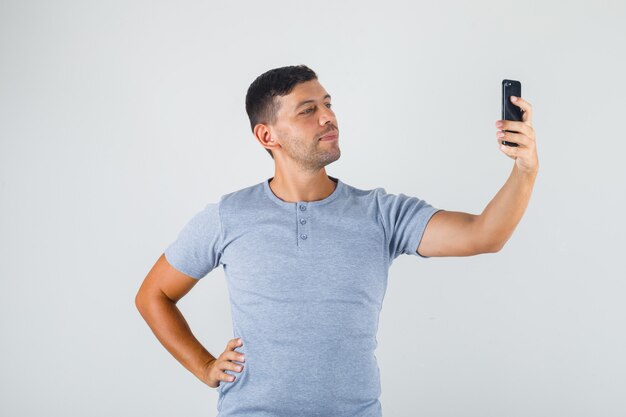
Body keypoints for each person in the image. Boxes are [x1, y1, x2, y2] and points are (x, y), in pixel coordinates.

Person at [135, 65, 538, 417]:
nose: (328, 117)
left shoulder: (381, 213)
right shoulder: (228, 216)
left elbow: (485, 234)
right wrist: (205, 366)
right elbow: (153, 295)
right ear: (266, 135)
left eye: (328, 104)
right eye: (308, 110)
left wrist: (525, 169)